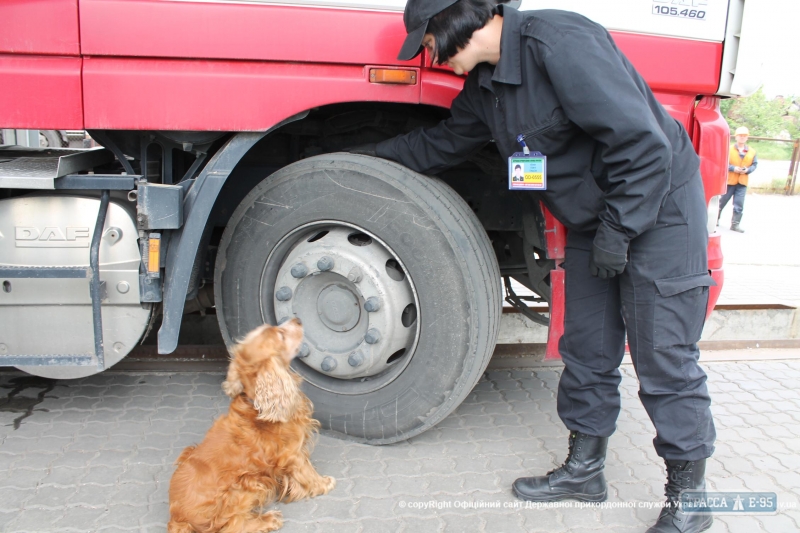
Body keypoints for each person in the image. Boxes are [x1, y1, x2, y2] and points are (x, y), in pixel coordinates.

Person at [351, 2, 717, 532]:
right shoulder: (486, 90)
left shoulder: (557, 42)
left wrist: (619, 231)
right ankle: (585, 471)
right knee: (588, 348)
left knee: (664, 355)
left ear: (455, 21)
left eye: (427, 42)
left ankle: (690, 499)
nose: (428, 56)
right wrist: (366, 158)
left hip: (657, 208)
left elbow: (642, 142)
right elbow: (441, 144)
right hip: (597, 220)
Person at [719, 126, 757, 233]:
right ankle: (715, 219)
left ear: (747, 138)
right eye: (740, 135)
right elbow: (722, 162)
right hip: (730, 180)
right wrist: (733, 168)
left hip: (742, 182)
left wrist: (747, 170)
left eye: (744, 136)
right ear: (736, 137)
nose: (742, 138)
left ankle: (735, 224)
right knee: (722, 201)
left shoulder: (752, 152)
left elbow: (755, 164)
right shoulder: (728, 149)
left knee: (739, 204)